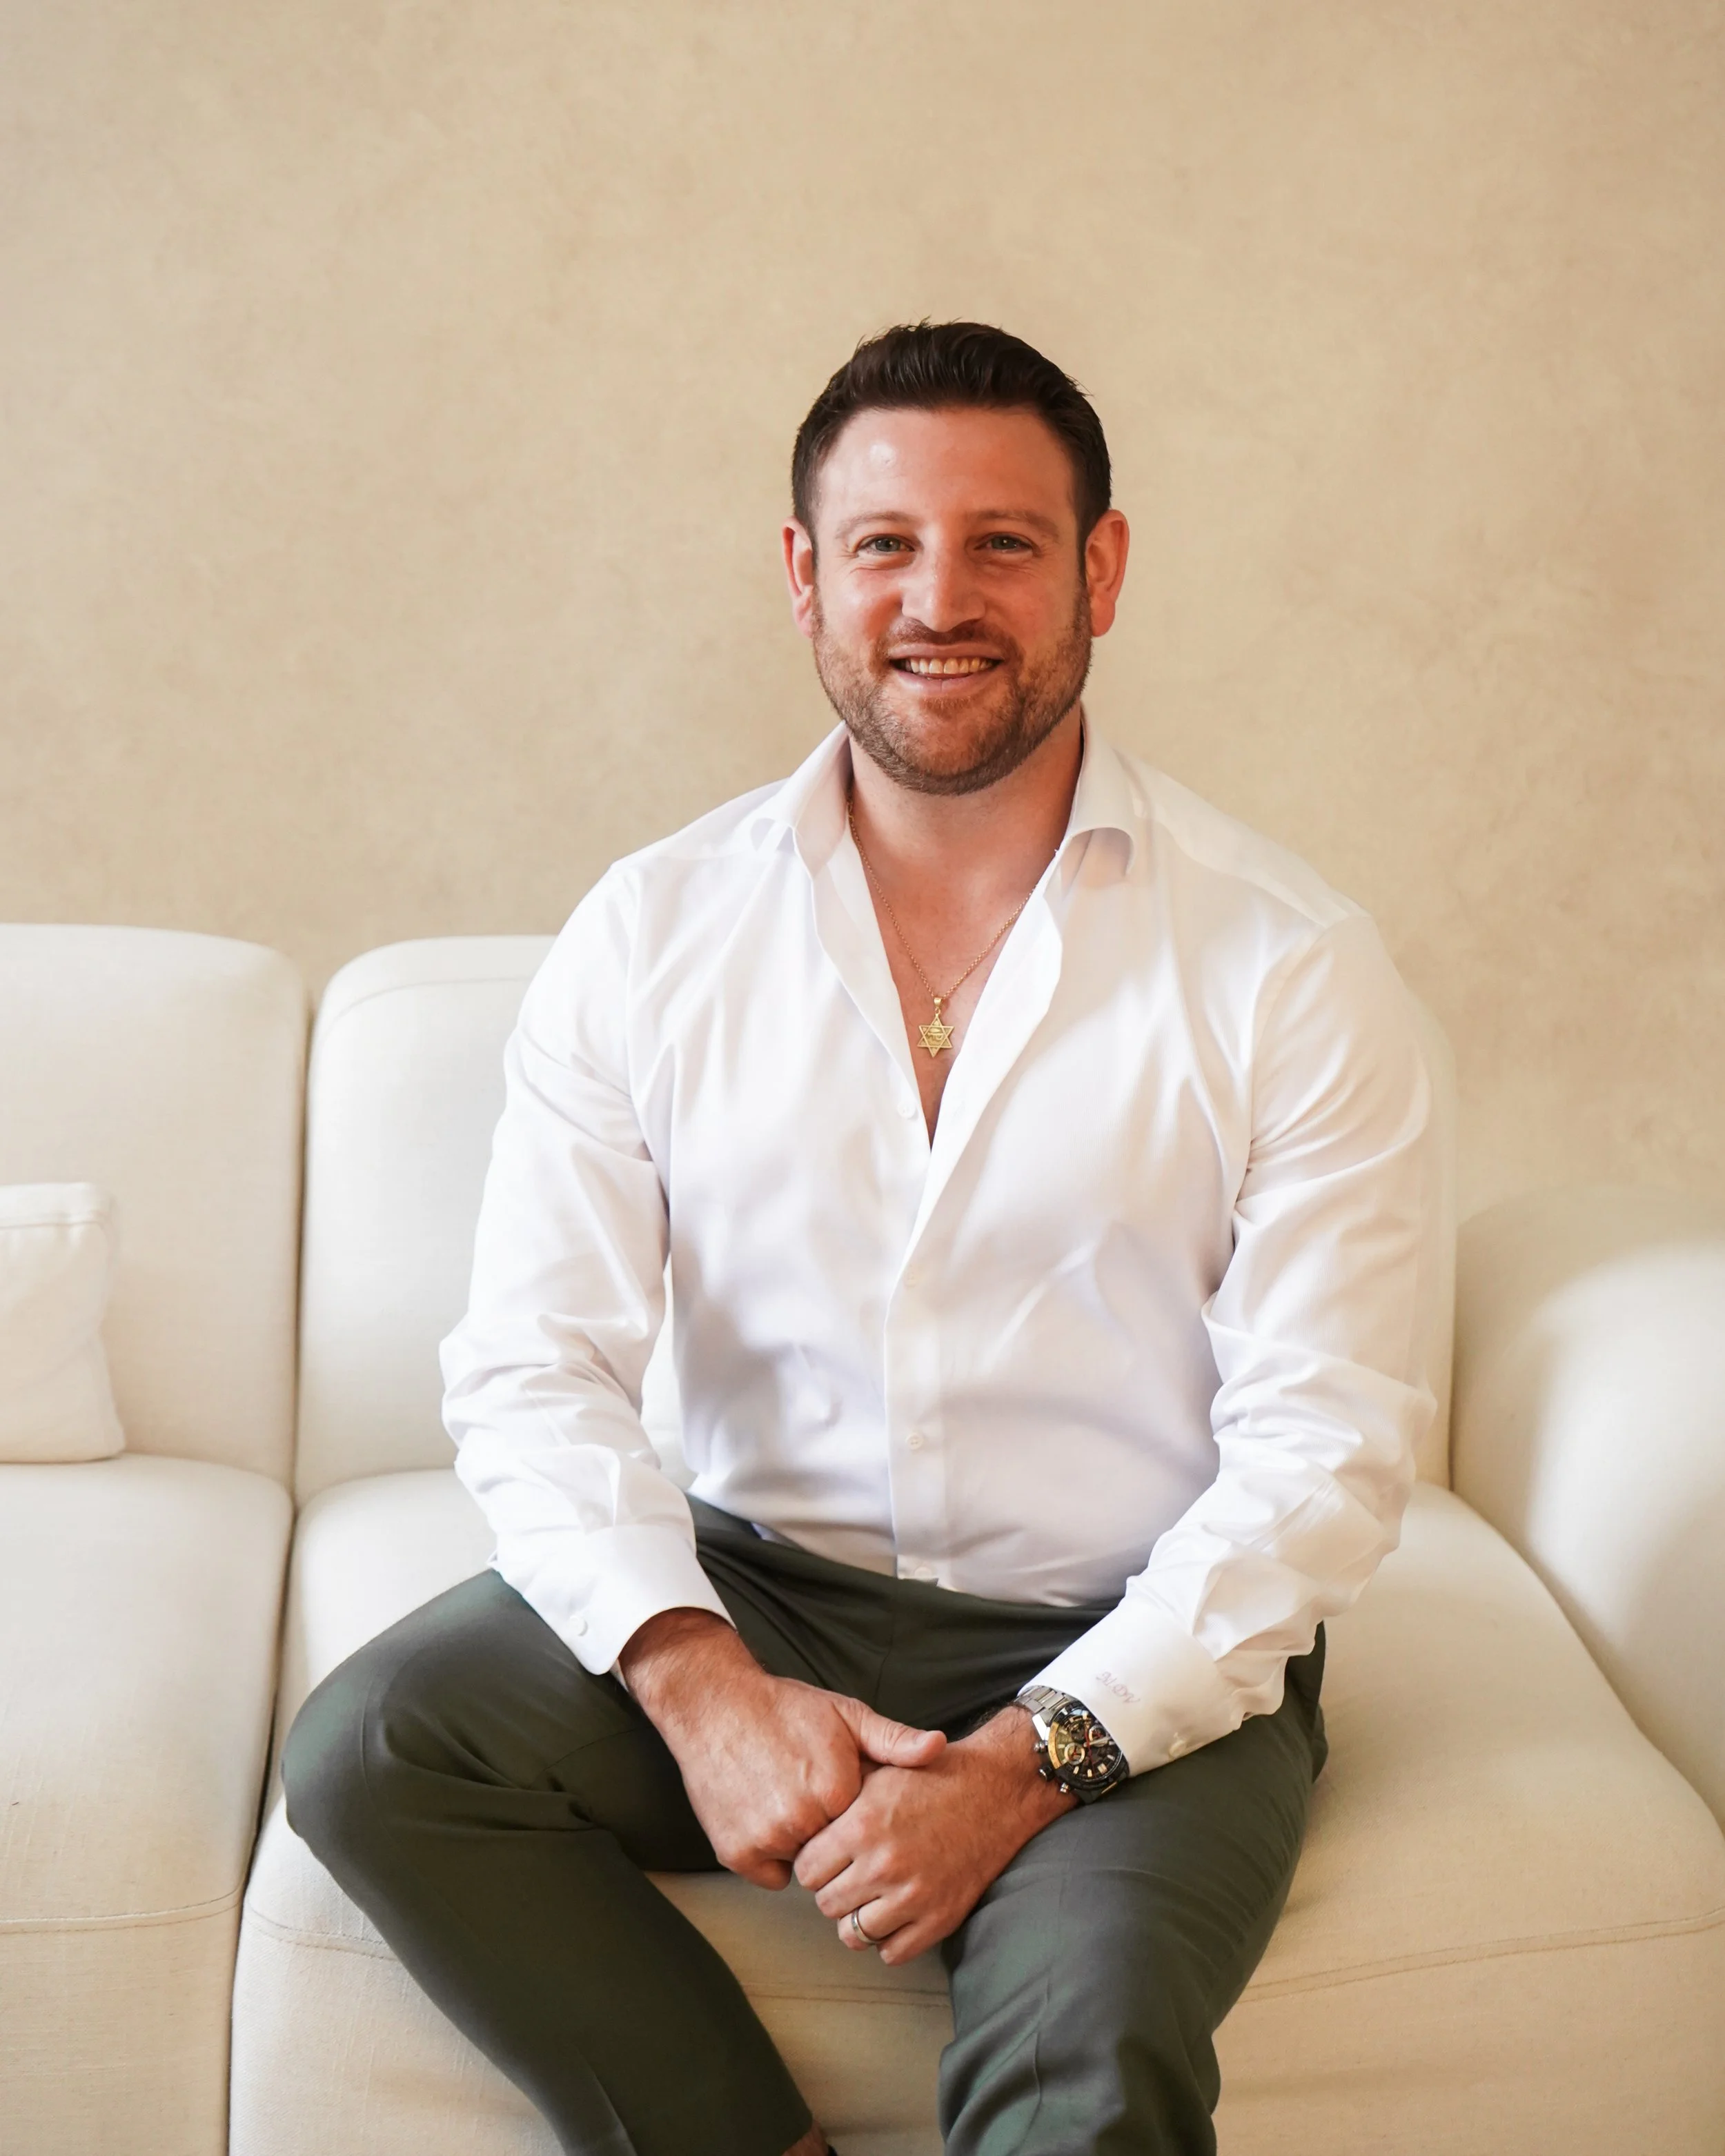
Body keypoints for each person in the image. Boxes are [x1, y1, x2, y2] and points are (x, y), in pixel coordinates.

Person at [284, 321, 1437, 2156]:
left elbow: (1325, 1459)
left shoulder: (1289, 963)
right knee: (378, 1751)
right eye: (885, 542)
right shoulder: (653, 927)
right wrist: (700, 1686)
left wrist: (1015, 1768)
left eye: (1002, 542)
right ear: (805, 576)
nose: (938, 597)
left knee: (1090, 2057)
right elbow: (533, 1361)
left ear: (1100, 571)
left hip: (1124, 1634)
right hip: (762, 1587)